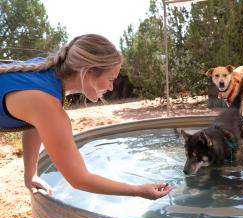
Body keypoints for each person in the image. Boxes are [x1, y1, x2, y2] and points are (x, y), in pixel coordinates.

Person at [0, 34, 172, 199]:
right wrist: (138, 190)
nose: (111, 88)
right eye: (111, 79)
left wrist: (30, 175)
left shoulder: (46, 72)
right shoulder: (47, 104)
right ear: (88, 72)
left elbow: (35, 123)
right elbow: (80, 179)